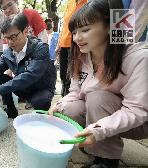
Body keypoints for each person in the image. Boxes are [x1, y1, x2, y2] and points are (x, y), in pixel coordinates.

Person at [51, 0, 148, 167]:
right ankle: (94, 146)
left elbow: (137, 109)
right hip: (105, 111)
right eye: (74, 32)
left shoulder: (137, 57)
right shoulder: (81, 56)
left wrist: (99, 130)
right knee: (68, 109)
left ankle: (107, 160)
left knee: (97, 98)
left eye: (85, 30)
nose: (77, 38)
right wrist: (59, 105)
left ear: (109, 26)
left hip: (140, 121)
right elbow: (75, 91)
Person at [0, 14, 56, 118]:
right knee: (0, 77)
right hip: (23, 88)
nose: (10, 42)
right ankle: (11, 110)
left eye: (13, 37)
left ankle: (41, 116)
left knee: (41, 101)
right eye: (6, 38)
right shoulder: (8, 53)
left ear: (25, 31)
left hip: (41, 88)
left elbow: (30, 75)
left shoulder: (40, 49)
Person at [55, 0, 87, 97]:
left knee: (73, 73)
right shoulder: (70, 2)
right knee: (63, 74)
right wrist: (59, 44)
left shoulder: (87, 2)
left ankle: (69, 96)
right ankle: (64, 96)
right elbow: (64, 25)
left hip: (77, 43)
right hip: (64, 43)